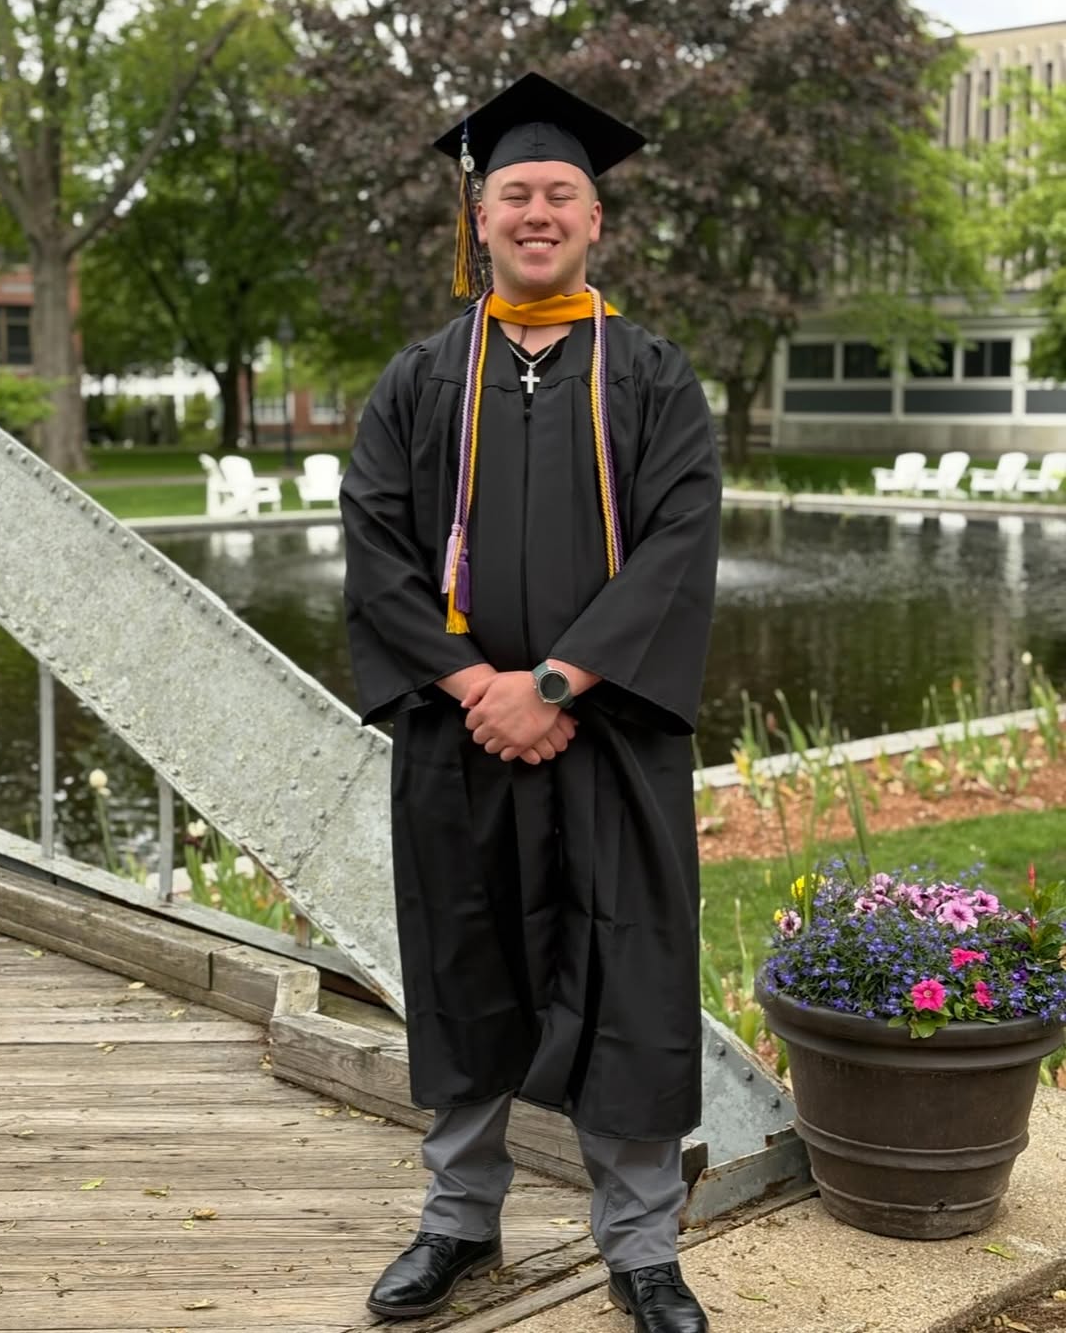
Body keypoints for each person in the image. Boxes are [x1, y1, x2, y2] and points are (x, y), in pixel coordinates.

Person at [340, 71, 721, 1333]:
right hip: (461, 741)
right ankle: (457, 1224)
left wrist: (554, 683)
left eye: (562, 192)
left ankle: (643, 1248)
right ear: (482, 214)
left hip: (605, 738)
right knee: (466, 965)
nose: (539, 211)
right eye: (516, 192)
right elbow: (377, 551)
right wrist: (476, 688)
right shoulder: (418, 379)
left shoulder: (659, 380)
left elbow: (678, 548)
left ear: (596, 219)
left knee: (632, 976)